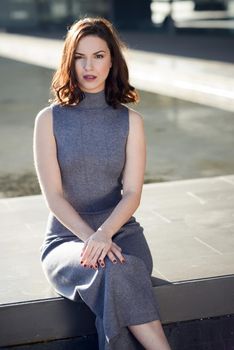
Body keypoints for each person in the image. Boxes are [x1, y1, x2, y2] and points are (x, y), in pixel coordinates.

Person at [33, 16, 172, 350]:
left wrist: (105, 234)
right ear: (70, 61)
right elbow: (53, 197)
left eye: (98, 55)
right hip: (67, 239)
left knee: (120, 269)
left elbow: (133, 193)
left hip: (121, 232)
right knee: (117, 271)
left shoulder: (131, 122)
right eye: (80, 57)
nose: (89, 66)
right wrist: (92, 239)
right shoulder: (48, 120)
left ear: (112, 61)